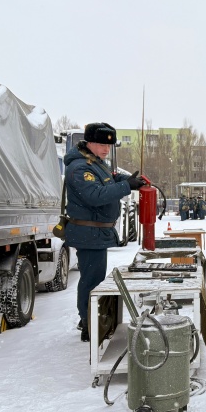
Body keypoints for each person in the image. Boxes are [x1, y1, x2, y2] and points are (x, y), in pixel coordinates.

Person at [64, 122, 145, 342]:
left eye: (109, 146)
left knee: (94, 279)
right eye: (102, 144)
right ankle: (88, 324)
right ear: (89, 142)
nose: (106, 149)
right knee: (91, 281)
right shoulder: (80, 168)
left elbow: (107, 181)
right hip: (88, 233)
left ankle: (91, 320)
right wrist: (126, 186)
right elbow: (95, 195)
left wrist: (125, 180)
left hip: (96, 233)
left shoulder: (96, 163)